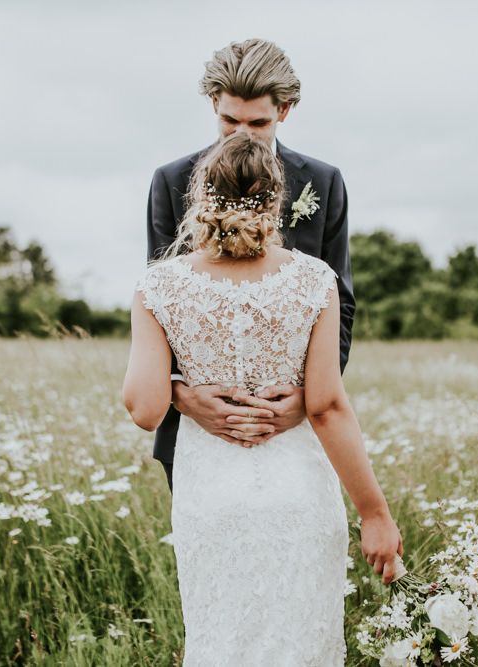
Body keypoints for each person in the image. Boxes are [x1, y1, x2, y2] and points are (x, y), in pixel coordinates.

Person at [123, 133, 402, 665]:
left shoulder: (158, 287)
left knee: (221, 644)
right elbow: (325, 407)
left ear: (200, 199)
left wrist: (180, 384)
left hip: (211, 499)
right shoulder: (315, 281)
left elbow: (144, 410)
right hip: (298, 495)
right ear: (276, 202)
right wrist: (374, 513)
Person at [146, 38, 356, 494]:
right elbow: (158, 305)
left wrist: (308, 400)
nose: (242, 134)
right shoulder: (171, 181)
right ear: (212, 105)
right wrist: (183, 397)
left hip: (293, 427)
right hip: (195, 432)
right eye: (229, 120)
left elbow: (340, 304)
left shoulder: (322, 182)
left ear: (286, 110)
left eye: (257, 122)